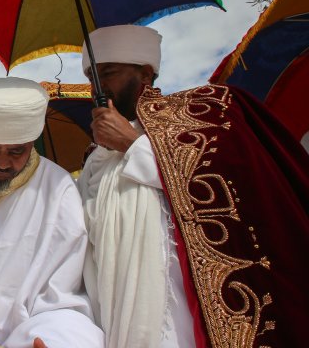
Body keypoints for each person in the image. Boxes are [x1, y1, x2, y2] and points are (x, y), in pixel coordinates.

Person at [78, 24, 309, 347]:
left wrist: (134, 145)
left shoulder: (204, 110)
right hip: (117, 320)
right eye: (92, 79)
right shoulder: (94, 159)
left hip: (192, 314)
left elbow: (238, 183)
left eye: (109, 73)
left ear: (145, 73)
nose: (98, 88)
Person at [0, 77, 103, 348]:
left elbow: (61, 298)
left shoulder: (58, 188)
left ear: (31, 141)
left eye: (17, 151)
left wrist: (48, 339)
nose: (3, 162)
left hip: (33, 329)